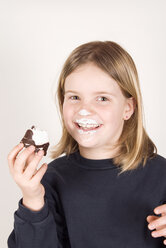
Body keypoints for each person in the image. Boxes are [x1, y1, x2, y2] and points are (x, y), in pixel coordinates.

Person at [7, 41, 166, 247]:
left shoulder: (161, 176)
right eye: (74, 97)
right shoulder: (50, 181)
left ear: (128, 108)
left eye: (102, 98)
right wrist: (32, 198)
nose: (84, 110)